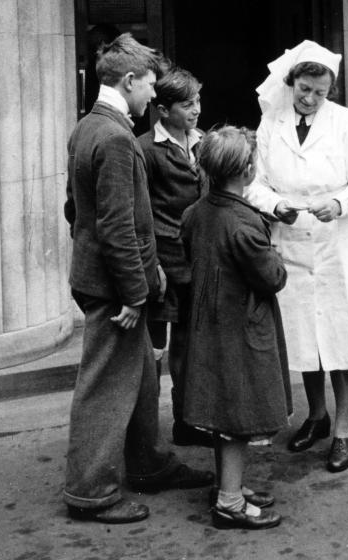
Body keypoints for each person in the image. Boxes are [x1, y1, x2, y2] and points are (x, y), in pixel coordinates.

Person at [63, 34, 213, 524]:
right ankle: (92, 491)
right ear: (129, 81)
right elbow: (117, 226)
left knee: (142, 376)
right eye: (150, 85)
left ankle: (146, 463)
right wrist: (134, 291)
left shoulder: (89, 128)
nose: (154, 95)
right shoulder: (116, 137)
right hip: (114, 290)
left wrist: (143, 277)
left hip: (108, 279)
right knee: (106, 387)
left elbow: (74, 208)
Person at [246, 40, 348, 473]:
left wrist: (342, 203)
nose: (310, 98)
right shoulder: (271, 122)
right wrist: (276, 207)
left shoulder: (345, 122)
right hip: (290, 237)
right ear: (290, 82)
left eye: (320, 92)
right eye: (304, 88)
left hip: (337, 241)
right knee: (304, 334)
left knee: (341, 335)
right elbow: (255, 183)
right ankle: (316, 415)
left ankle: (344, 428)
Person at [181, 126, 292, 530]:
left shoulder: (197, 213)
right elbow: (273, 278)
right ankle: (228, 501)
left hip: (209, 324)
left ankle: (229, 484)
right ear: (246, 170)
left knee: (221, 410)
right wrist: (274, 246)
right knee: (237, 416)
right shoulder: (245, 225)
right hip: (241, 329)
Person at [138, 66, 210, 447]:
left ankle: (186, 421)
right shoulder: (145, 149)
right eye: (186, 104)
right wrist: (153, 266)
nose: (195, 109)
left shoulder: (205, 143)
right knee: (152, 350)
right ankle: (144, 433)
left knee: (188, 348)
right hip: (163, 265)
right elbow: (141, 213)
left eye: (197, 101)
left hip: (197, 261)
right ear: (163, 110)